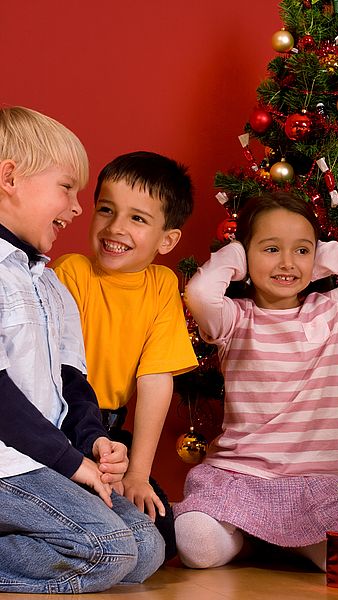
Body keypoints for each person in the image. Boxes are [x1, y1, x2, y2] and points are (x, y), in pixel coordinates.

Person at [173, 190, 338, 571]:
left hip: (318, 484)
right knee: (195, 542)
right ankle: (248, 540)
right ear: (246, 256)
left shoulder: (335, 309)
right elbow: (198, 292)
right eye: (271, 249)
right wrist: (235, 255)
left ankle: (282, 544)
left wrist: (327, 255)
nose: (287, 263)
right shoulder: (233, 319)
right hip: (240, 477)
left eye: (301, 250)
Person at [0, 106, 164, 593]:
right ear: (10, 177)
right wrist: (70, 463)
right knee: (107, 549)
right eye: (66, 187)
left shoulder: (51, 285)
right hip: (11, 460)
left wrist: (92, 441)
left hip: (45, 459)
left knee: (146, 551)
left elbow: (73, 385)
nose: (76, 207)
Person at [52, 151, 199, 561]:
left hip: (112, 433)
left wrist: (137, 474)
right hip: (63, 421)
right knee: (102, 528)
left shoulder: (161, 285)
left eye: (138, 218)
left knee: (164, 536)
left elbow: (154, 379)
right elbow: (56, 373)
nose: (115, 227)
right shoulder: (71, 272)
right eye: (106, 210)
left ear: (167, 239)